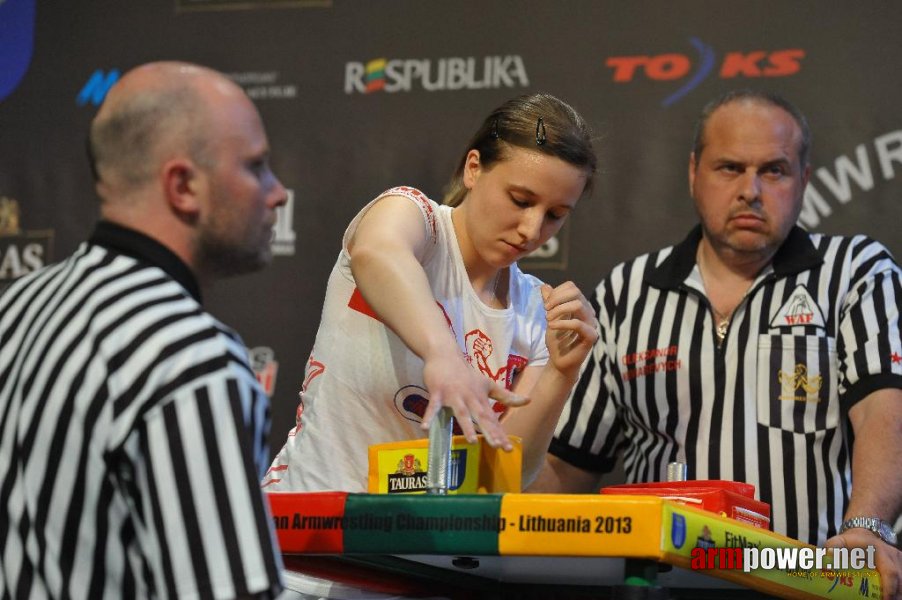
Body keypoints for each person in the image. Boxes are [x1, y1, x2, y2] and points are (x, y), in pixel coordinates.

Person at [532, 90, 902, 598]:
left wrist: (868, 529)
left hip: (813, 586)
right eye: (729, 168)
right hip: (657, 586)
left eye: (774, 170)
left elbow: (886, 412)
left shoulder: (854, 272)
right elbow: (566, 465)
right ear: (693, 174)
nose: (750, 190)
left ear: (804, 181)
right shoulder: (627, 291)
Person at [0, 62, 287, 598]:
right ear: (183, 186)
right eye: (257, 167)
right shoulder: (192, 358)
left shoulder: (16, 307)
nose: (278, 193)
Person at [263, 93, 599, 492]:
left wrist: (560, 375)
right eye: (521, 200)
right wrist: (444, 355)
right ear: (473, 169)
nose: (532, 229)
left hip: (425, 546)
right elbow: (377, 251)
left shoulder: (537, 310)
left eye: (555, 216)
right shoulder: (414, 218)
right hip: (313, 523)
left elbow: (503, 479)